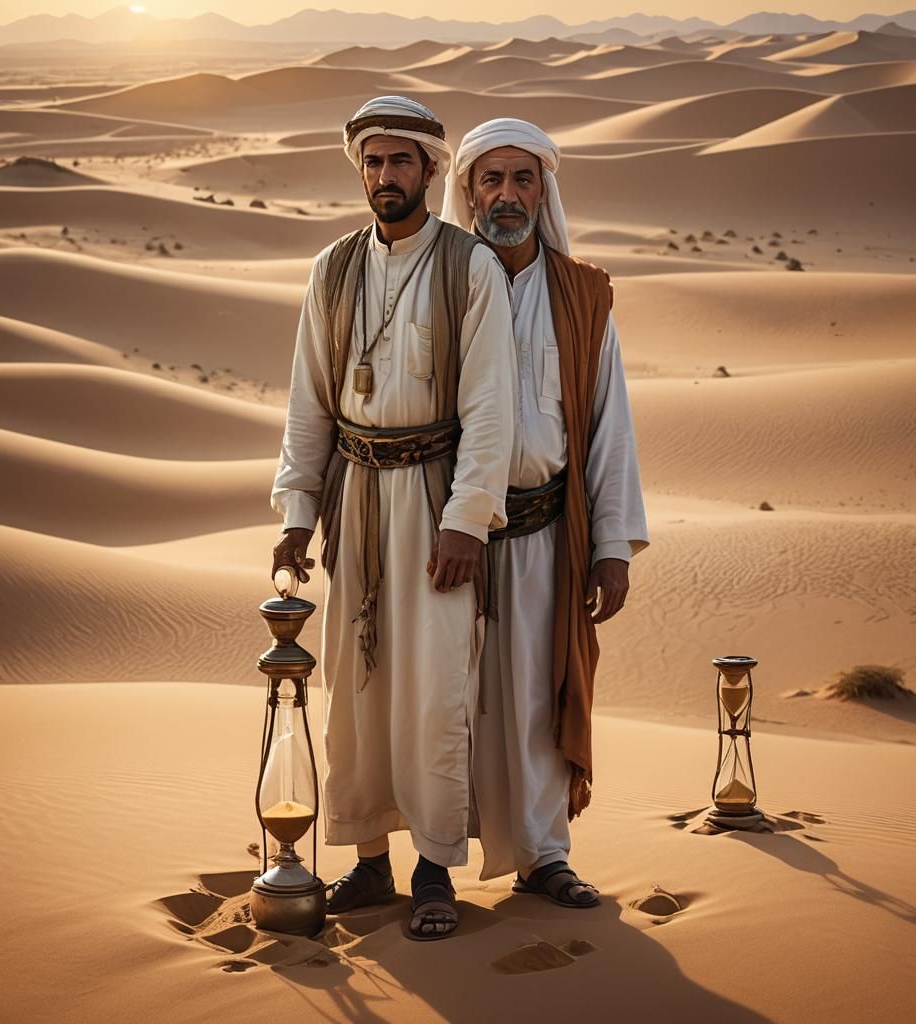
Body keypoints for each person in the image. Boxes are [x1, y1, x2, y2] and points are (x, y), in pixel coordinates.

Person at [270, 97, 516, 941]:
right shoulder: (332, 268)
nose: (385, 177)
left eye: (401, 162)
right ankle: (370, 862)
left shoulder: (468, 266)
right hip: (356, 500)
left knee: (434, 688)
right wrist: (299, 511)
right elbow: (309, 401)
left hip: (433, 498)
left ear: (431, 170)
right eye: (372, 163)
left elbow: (491, 408)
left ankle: (436, 867)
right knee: (357, 691)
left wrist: (466, 521)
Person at [442, 118, 649, 906]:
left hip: (543, 536)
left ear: (544, 191)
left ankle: (543, 855)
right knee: (445, 699)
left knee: (536, 697)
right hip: (449, 539)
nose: (506, 196)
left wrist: (613, 545)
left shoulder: (582, 294)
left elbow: (608, 422)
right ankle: (434, 858)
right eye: (490, 180)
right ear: (469, 192)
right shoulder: (444, 283)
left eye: (522, 179)